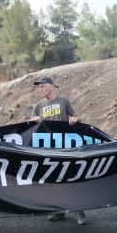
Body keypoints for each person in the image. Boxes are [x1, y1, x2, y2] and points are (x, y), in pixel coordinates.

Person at [31, 76, 85, 224]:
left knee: (71, 178)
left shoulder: (63, 101)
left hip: (66, 148)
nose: (40, 89)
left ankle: (78, 211)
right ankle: (59, 211)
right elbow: (30, 129)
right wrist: (35, 122)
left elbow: (76, 117)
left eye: (43, 86)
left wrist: (75, 120)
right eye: (39, 87)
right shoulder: (38, 106)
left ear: (52, 86)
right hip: (48, 150)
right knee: (54, 180)